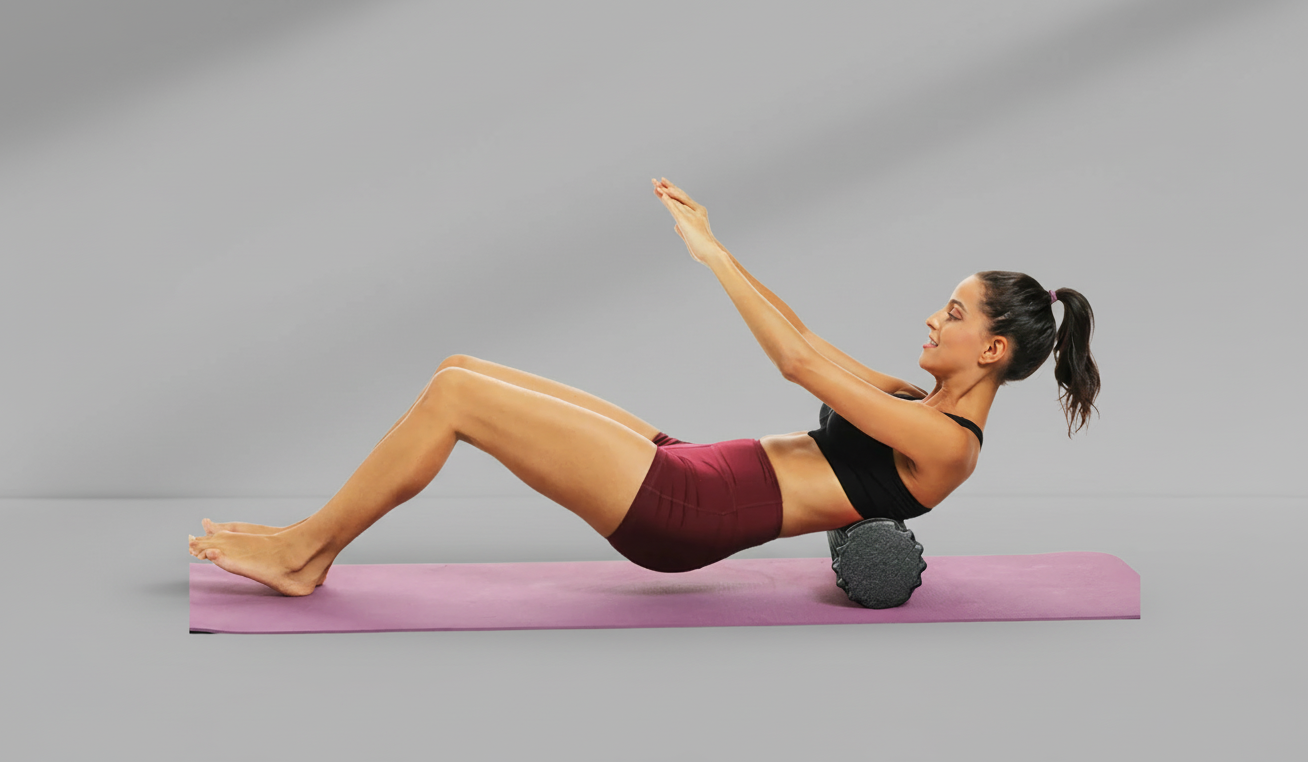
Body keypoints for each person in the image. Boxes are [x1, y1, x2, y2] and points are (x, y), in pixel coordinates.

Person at [188, 177, 1100, 595]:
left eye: (952, 313)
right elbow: (812, 340)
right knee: (459, 371)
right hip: (694, 466)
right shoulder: (917, 403)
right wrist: (724, 243)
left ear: (991, 351)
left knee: (454, 403)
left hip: (688, 512)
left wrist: (708, 261)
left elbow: (797, 364)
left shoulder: (946, 447)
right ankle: (305, 544)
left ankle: (305, 552)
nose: (933, 320)